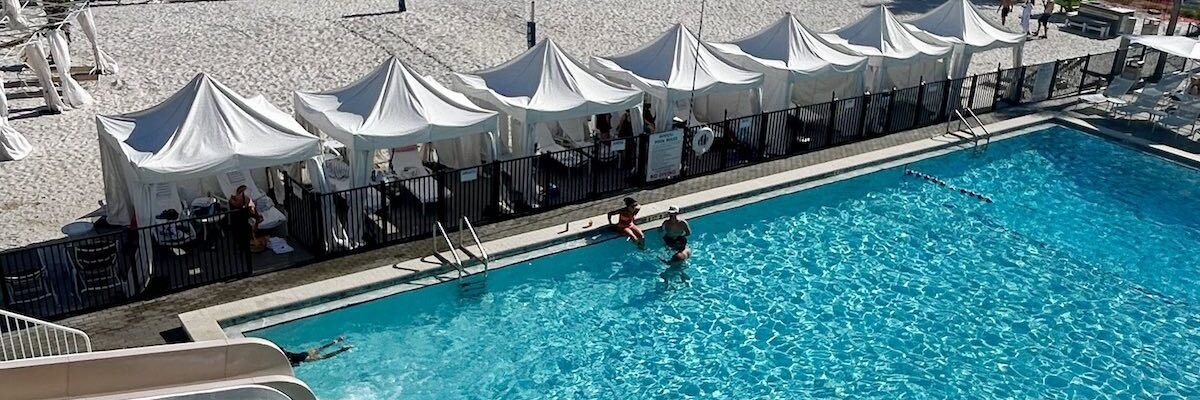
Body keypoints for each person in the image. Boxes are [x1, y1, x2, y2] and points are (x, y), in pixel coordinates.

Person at [283, 336, 352, 366]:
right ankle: (336, 341)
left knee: (323, 357)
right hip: (302, 354)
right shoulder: (284, 353)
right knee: (320, 349)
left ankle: (341, 350)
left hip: (302, 358)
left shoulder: (283, 358)